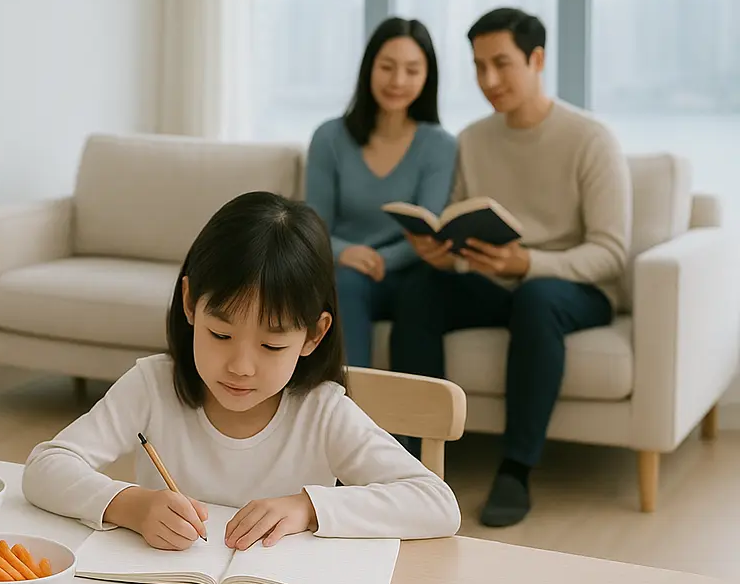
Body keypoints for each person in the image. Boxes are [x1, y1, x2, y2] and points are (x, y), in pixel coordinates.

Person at [22, 192, 460, 552]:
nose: (240, 367)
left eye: (272, 346)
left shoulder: (322, 412)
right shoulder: (152, 386)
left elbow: (437, 504)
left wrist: (308, 508)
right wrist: (130, 505)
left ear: (314, 335)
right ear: (190, 303)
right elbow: (45, 466)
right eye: (220, 334)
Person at [389, 8, 631, 528]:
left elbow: (612, 252)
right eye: (479, 67)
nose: (489, 80)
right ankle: (409, 462)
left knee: (536, 296)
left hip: (573, 288)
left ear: (536, 59)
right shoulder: (473, 139)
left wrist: (530, 263)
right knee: (420, 286)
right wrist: (444, 253)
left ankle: (516, 470)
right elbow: (456, 224)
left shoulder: (591, 139)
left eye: (501, 64)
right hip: (495, 282)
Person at [304, 17, 457, 369]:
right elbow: (315, 225)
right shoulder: (329, 138)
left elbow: (428, 230)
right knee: (345, 283)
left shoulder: (440, 146)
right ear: (369, 68)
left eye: (412, 70)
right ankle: (346, 401)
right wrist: (346, 253)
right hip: (346, 269)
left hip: (411, 272)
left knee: (423, 293)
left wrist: (381, 260)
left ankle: (417, 409)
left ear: (427, 77)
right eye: (387, 67)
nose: (397, 81)